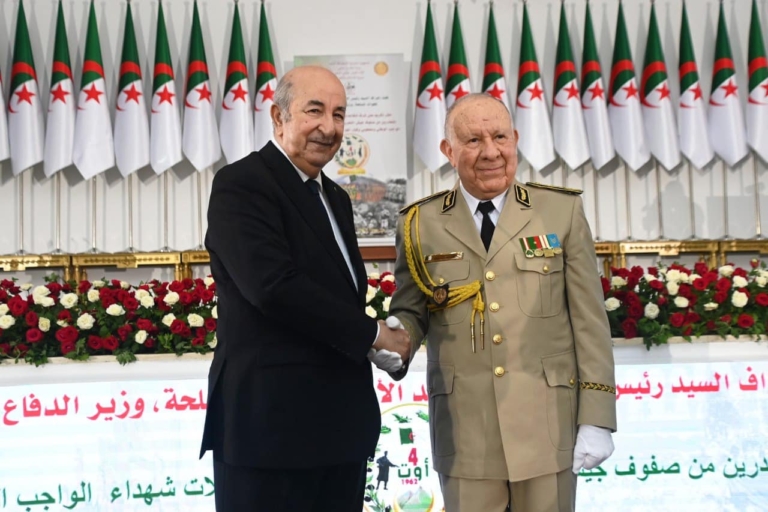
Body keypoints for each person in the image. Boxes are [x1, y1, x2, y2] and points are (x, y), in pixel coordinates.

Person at [388, 93, 617, 512]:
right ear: (448, 150)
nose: (491, 152)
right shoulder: (419, 224)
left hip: (548, 425)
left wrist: (598, 415)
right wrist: (395, 340)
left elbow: (590, 322)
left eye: (500, 137)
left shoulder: (560, 211)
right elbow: (411, 309)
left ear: (515, 139)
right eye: (473, 140)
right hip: (464, 430)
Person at [199, 65, 410, 511]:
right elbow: (273, 288)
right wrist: (373, 335)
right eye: (314, 111)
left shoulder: (335, 197)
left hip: (339, 433)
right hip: (269, 434)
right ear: (279, 117)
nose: (328, 128)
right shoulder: (243, 184)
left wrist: (377, 346)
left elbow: (334, 298)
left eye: (338, 114)